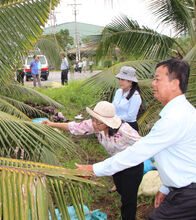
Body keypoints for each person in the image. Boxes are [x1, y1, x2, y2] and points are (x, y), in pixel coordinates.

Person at [75, 59, 196, 219]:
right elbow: (178, 158)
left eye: (157, 79)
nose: (153, 83)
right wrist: (166, 188)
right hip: (182, 191)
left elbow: (138, 152)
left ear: (175, 83)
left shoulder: (175, 118)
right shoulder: (178, 113)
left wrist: (94, 169)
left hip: (188, 194)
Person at [42, 101, 143, 220]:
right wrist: (52, 124)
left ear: (108, 122)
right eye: (93, 119)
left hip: (132, 166)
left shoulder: (124, 130)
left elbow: (144, 144)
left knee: (129, 200)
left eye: (98, 122)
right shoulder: (94, 124)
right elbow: (74, 127)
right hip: (115, 164)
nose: (94, 124)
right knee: (121, 189)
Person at [113, 66, 142, 132]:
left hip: (129, 127)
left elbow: (131, 116)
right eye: (119, 79)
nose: (120, 81)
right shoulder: (118, 92)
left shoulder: (135, 96)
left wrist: (115, 118)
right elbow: (113, 107)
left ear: (131, 81)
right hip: (115, 125)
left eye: (123, 79)